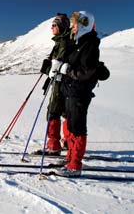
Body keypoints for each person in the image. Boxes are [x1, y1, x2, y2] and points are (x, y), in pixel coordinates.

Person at [54, 11, 101, 177]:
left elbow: (87, 71)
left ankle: (75, 165)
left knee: (78, 128)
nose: (72, 27)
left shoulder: (90, 45)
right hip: (70, 91)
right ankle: (70, 157)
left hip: (79, 93)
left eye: (75, 24)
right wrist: (60, 68)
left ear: (83, 25)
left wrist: (68, 70)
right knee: (72, 126)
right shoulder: (78, 43)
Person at [33, 13, 73, 156]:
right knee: (65, 112)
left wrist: (48, 68)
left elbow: (59, 66)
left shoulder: (62, 42)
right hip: (67, 84)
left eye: (54, 25)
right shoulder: (65, 41)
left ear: (61, 27)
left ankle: (53, 145)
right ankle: (68, 142)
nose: (51, 28)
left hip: (59, 82)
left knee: (53, 112)